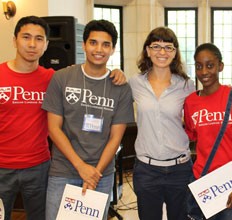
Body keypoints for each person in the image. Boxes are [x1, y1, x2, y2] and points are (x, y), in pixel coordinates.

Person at [42, 19, 134, 220]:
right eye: (93, 42)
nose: (99, 49)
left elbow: (115, 138)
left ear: (112, 49)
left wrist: (94, 174)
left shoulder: (121, 88)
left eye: (106, 44)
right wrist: (81, 167)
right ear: (84, 45)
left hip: (100, 175)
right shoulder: (62, 78)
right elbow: (53, 129)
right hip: (63, 171)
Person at [129, 26, 195, 220]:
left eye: (168, 47)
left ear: (175, 53)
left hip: (180, 169)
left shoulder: (186, 85)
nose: (162, 52)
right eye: (156, 46)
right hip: (146, 170)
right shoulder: (134, 83)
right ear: (147, 51)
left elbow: (197, 116)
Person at [184, 43, 232, 220]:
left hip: (231, 182)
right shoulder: (190, 102)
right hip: (202, 180)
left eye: (210, 65)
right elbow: (193, 136)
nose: (204, 71)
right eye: (199, 66)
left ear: (220, 66)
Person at [0, 15, 51, 220]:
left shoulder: (52, 79)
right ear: (15, 40)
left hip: (38, 167)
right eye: (26, 37)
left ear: (46, 45)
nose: (32, 44)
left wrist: (115, 74)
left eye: (39, 39)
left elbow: (87, 77)